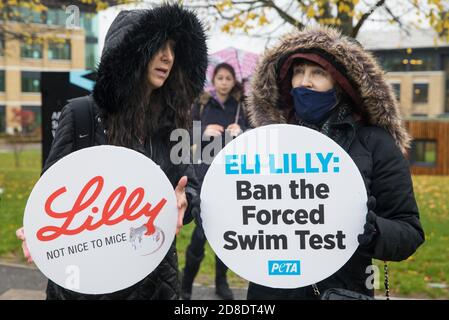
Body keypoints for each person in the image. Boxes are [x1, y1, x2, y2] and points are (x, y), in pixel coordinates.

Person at [15, 4, 208, 300]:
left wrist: (184, 200)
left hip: (154, 277)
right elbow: (51, 192)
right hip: (90, 277)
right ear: (128, 54)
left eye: (173, 47)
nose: (168, 57)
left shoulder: (174, 120)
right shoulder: (82, 115)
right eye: (158, 46)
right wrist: (40, 228)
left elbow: (189, 185)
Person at [244, 26, 425, 299]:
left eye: (318, 73)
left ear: (341, 83)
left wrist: (374, 230)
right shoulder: (268, 141)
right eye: (298, 71)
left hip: (342, 289)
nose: (304, 82)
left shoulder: (375, 143)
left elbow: (408, 230)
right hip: (270, 293)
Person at [181, 63, 248, 300]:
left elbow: (254, 136)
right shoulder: (201, 104)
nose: (224, 82)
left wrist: (242, 131)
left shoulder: (242, 107)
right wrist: (203, 132)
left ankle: (221, 282)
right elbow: (183, 136)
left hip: (231, 176)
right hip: (205, 174)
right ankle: (186, 283)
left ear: (233, 81)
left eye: (228, 78)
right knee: (201, 233)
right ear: (214, 80)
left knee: (226, 232)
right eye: (220, 77)